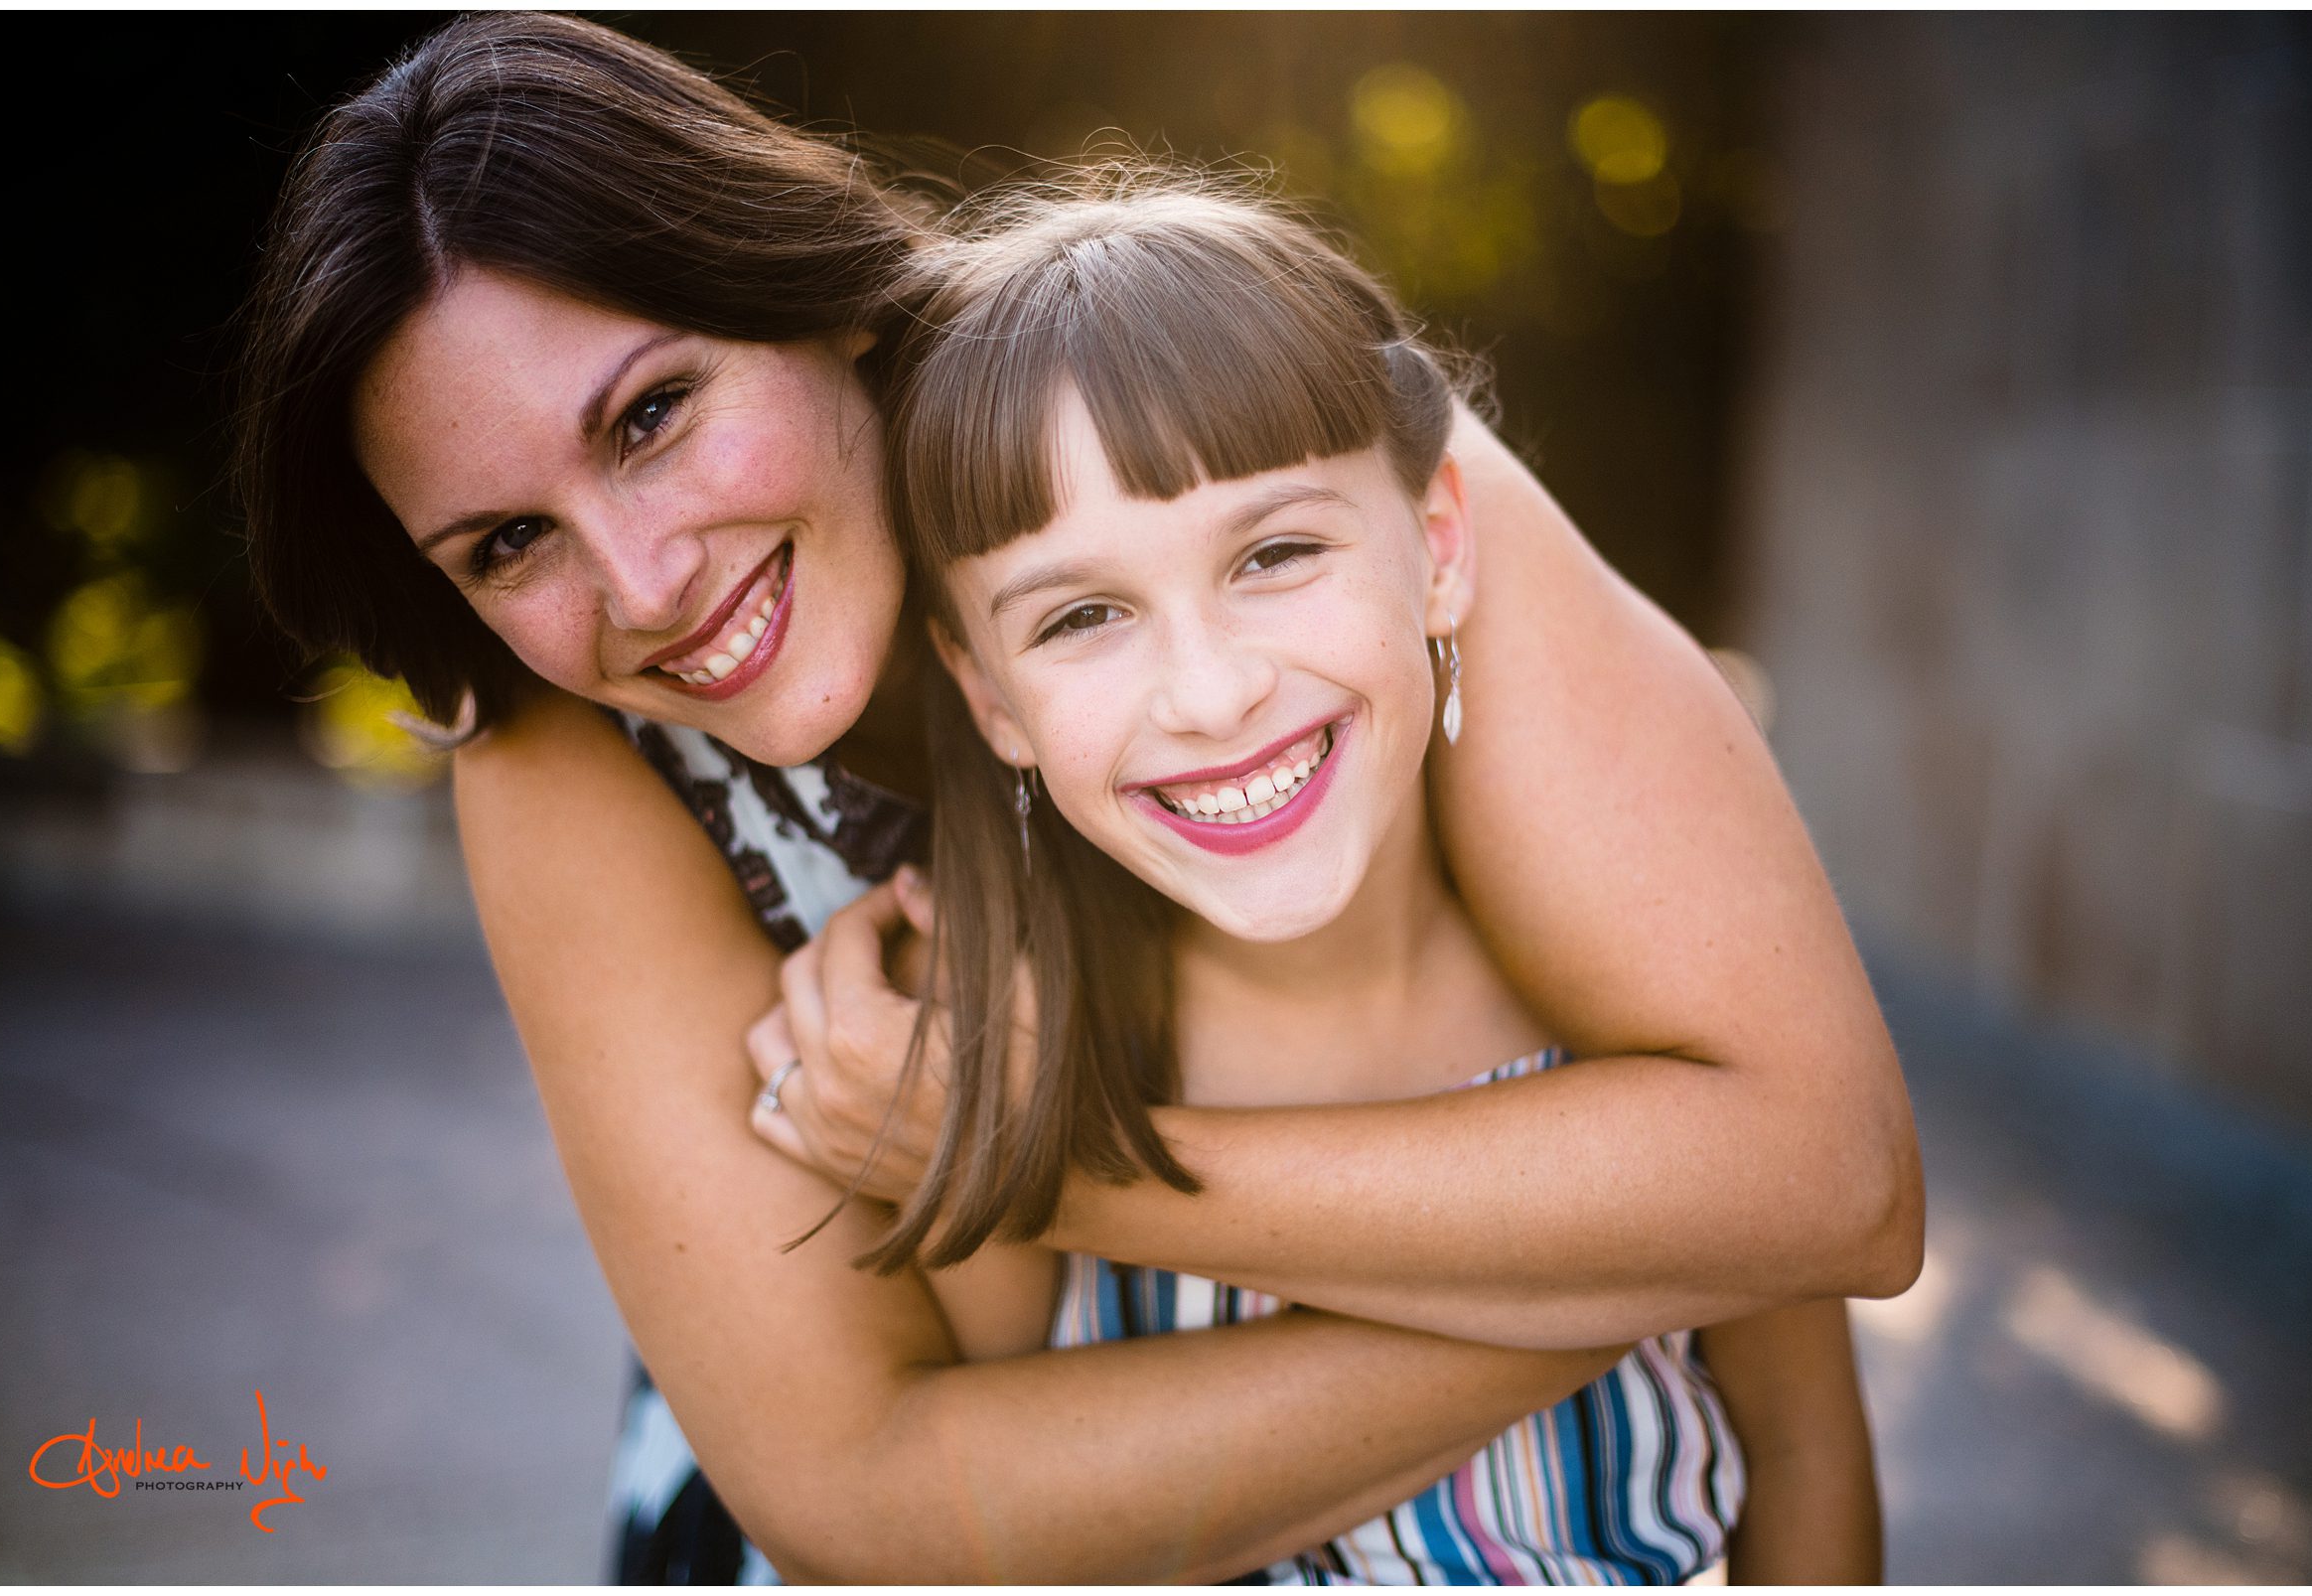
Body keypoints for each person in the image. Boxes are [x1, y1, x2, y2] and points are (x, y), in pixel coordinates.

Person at [236, 12, 1921, 1583]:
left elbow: (1821, 1184)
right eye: (505, 544)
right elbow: (866, 1496)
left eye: (656, 415)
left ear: (805, 292)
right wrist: (1628, 1258)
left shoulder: (1239, 422)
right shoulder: (551, 744)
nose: (643, 580)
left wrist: (1038, 1166)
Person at [744, 174, 1880, 1584]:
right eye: (1085, 616)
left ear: (1443, 548)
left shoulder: (1640, 1018)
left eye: (1276, 552)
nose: (1212, 693)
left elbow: (1810, 1451)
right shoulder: (1010, 1049)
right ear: (990, 702)